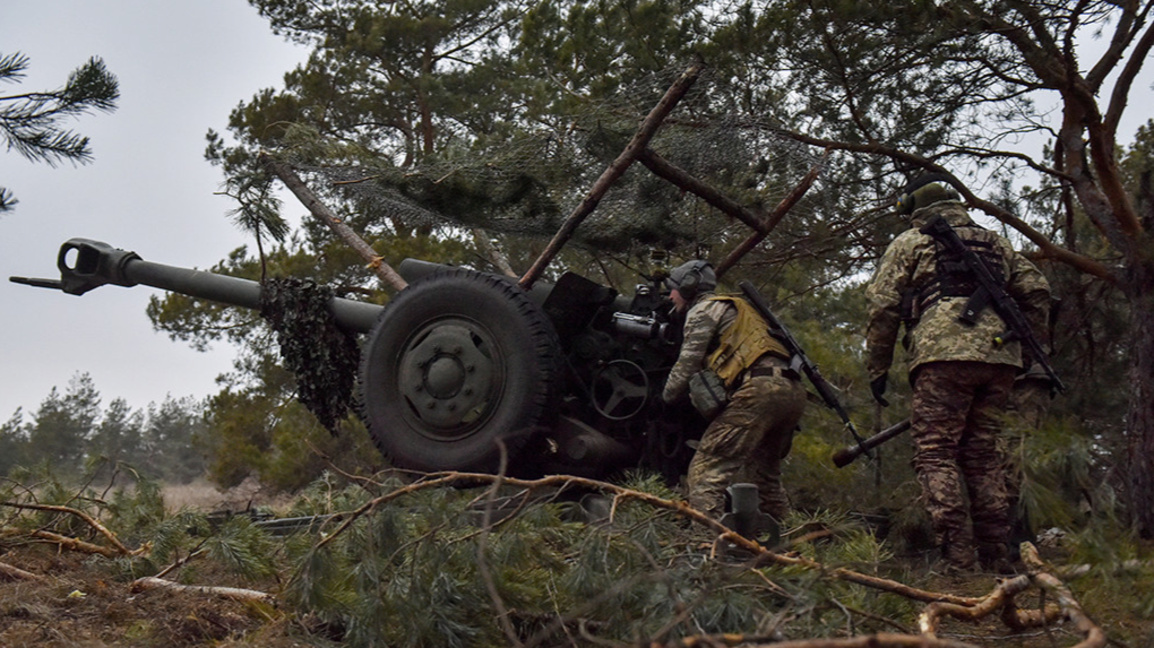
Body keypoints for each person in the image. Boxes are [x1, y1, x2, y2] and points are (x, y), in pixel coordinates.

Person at [865, 174, 1052, 574]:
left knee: (935, 452)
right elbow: (1036, 289)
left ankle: (958, 562)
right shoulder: (996, 242)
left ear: (916, 208)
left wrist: (877, 368)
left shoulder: (912, 241)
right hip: (1002, 359)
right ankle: (997, 557)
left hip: (943, 354)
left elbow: (882, 306)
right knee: (983, 455)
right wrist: (1026, 342)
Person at [661, 260, 807, 522]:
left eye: (671, 289)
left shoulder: (705, 309)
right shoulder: (744, 311)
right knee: (765, 478)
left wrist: (666, 397)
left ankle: (707, 546)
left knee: (705, 472)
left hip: (760, 389)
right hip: (792, 390)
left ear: (687, 287)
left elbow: (687, 364)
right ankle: (793, 546)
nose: (669, 296)